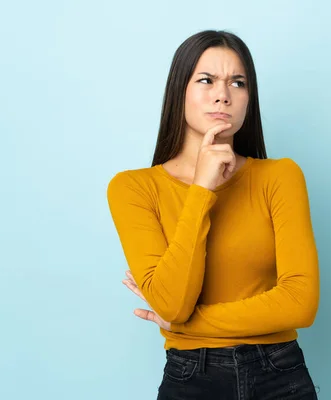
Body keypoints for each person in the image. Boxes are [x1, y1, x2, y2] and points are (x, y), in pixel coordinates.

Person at [107, 29, 320, 400]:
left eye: (237, 83)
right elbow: (173, 302)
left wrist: (185, 325)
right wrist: (201, 190)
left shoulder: (280, 176)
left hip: (279, 373)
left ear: (248, 99)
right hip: (191, 377)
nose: (223, 93)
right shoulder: (133, 188)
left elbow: (300, 302)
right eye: (206, 80)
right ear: (180, 91)